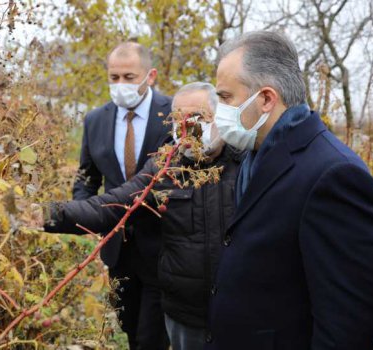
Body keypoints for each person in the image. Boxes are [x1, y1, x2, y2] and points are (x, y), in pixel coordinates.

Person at [206, 31, 373, 349]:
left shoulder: (334, 176)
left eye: (225, 97)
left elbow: (348, 327)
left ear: (265, 99)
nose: (218, 110)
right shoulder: (256, 155)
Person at [42, 82, 242, 350]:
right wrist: (44, 215)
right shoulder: (164, 167)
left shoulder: (247, 161)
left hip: (238, 311)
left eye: (197, 118)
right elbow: (111, 205)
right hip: (184, 315)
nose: (186, 129)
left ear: (221, 117)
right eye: (177, 121)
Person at [71, 41, 172, 349]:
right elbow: (87, 178)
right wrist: (84, 213)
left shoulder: (173, 113)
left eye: (129, 77)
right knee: (129, 330)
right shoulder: (95, 121)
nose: (120, 85)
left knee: (151, 338)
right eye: (114, 77)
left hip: (163, 246)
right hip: (117, 250)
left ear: (150, 76)